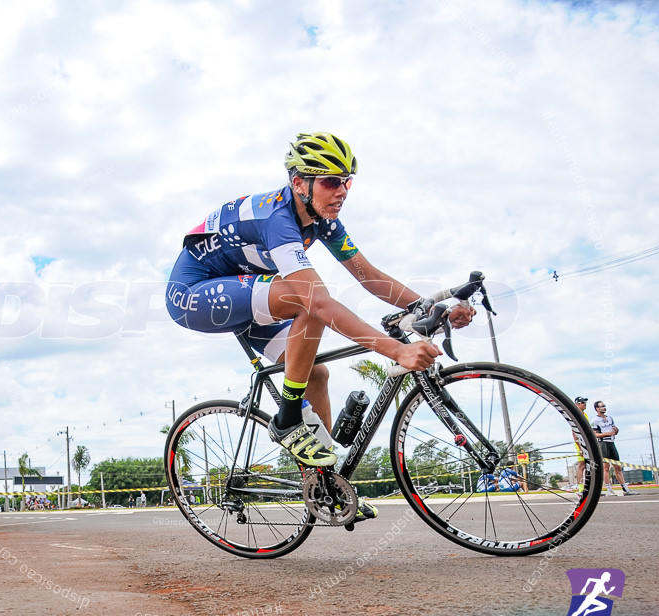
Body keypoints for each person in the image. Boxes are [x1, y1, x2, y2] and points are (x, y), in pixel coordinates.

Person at [166, 132, 473, 491]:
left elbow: (369, 276)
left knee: (317, 373)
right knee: (307, 300)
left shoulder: (323, 219)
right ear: (299, 183)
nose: (341, 191)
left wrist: (433, 308)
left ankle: (323, 485)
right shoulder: (276, 218)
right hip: (193, 293)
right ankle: (288, 418)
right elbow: (319, 303)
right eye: (331, 182)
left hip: (245, 288)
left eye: (347, 182)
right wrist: (398, 350)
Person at [593, 401, 636, 496]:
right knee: (606, 467)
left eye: (604, 406)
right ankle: (609, 489)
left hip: (612, 442)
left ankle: (625, 488)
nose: (604, 407)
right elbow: (595, 434)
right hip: (603, 443)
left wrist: (616, 431)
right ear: (597, 408)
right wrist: (607, 434)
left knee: (618, 466)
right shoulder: (595, 420)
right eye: (602, 406)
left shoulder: (610, 418)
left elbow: (613, 429)